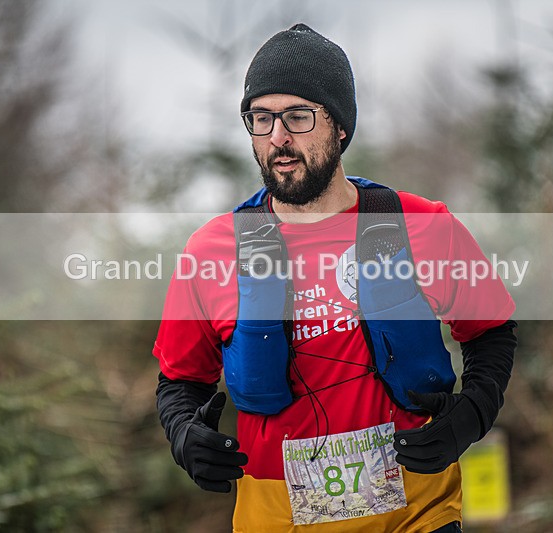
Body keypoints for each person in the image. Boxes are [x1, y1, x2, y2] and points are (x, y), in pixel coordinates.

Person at [153, 23, 517, 533]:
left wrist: (472, 415)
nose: (277, 137)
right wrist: (184, 434)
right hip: (275, 522)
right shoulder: (211, 251)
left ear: (340, 127)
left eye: (298, 117)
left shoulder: (421, 225)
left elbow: (491, 330)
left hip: (419, 517)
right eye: (261, 119)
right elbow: (179, 379)